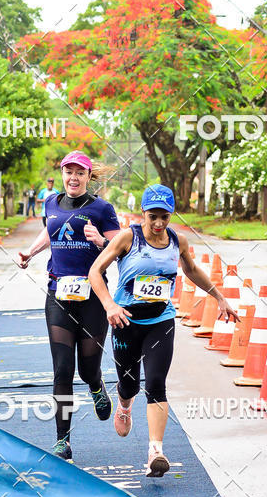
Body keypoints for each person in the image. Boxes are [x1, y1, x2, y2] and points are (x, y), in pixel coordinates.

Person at [89, 184, 238, 477]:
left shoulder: (177, 241)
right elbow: (95, 270)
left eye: (164, 217)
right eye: (152, 216)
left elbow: (191, 269)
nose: (158, 223)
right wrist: (109, 305)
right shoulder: (127, 238)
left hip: (161, 321)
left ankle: (155, 451)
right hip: (125, 321)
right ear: (143, 213)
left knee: (156, 383)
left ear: (171, 215)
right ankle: (124, 404)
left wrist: (219, 297)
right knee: (129, 384)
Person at [18, 152, 120, 461]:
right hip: (58, 295)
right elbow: (50, 232)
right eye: (68, 171)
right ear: (62, 174)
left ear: (88, 176)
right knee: (62, 369)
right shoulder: (51, 202)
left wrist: (100, 241)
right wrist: (30, 252)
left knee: (87, 369)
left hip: (93, 297)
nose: (73, 177)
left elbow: (121, 248)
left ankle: (96, 385)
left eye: (79, 172)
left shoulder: (102, 209)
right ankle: (62, 440)